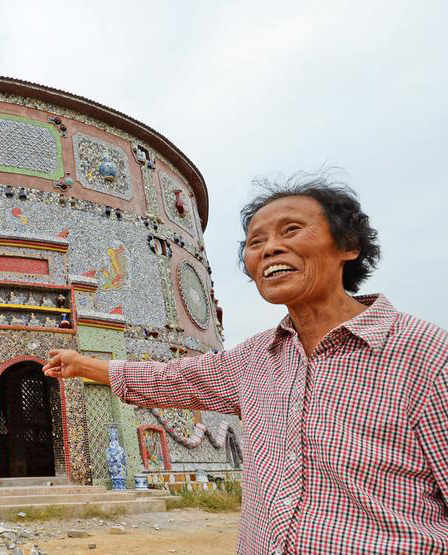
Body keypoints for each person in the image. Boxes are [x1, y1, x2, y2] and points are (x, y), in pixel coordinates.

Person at [43, 175, 448, 554]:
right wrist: (81, 365)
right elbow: (172, 377)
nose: (269, 248)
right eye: (256, 242)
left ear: (349, 246)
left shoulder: (427, 355)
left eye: (291, 230)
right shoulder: (256, 358)